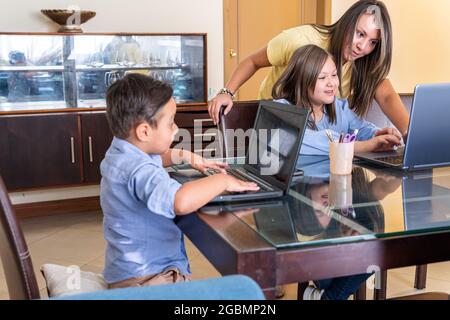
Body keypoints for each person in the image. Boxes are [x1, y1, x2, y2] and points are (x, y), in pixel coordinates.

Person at [100, 73, 259, 289]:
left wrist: (186, 156)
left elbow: (154, 157)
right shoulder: (138, 169)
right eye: (171, 123)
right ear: (144, 131)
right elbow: (180, 201)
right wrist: (223, 181)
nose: (175, 129)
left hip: (126, 271)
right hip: (147, 280)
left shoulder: (122, 150)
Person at [208, 0, 409, 138]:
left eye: (373, 42)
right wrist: (227, 92)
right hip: (275, 120)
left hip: (315, 130)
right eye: (359, 34)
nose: (363, 47)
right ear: (348, 23)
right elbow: (253, 61)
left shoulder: (363, 64)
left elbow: (386, 95)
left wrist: (410, 136)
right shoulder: (299, 40)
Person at [272, 44, 402, 157]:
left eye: (334, 75)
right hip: (299, 184)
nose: (332, 83)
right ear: (301, 82)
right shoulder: (281, 109)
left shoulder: (340, 107)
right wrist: (363, 146)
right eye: (322, 78)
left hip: (336, 181)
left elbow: (361, 129)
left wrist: (378, 136)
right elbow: (299, 139)